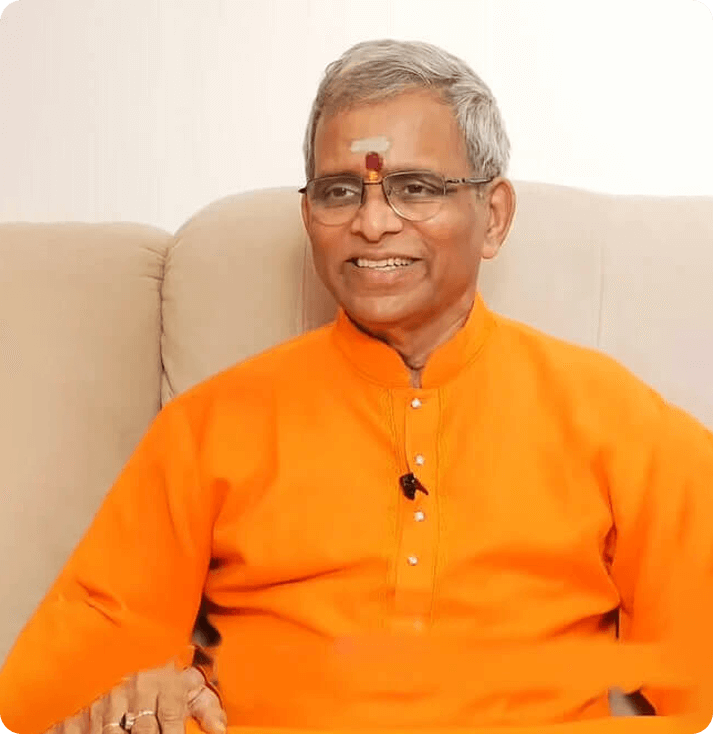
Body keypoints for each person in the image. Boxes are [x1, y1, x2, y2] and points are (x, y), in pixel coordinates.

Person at [1, 38, 713, 734]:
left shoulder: (615, 420)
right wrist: (147, 691)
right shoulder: (211, 426)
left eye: (415, 188)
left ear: (493, 217)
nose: (371, 224)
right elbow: (54, 687)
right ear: (309, 215)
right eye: (340, 192)